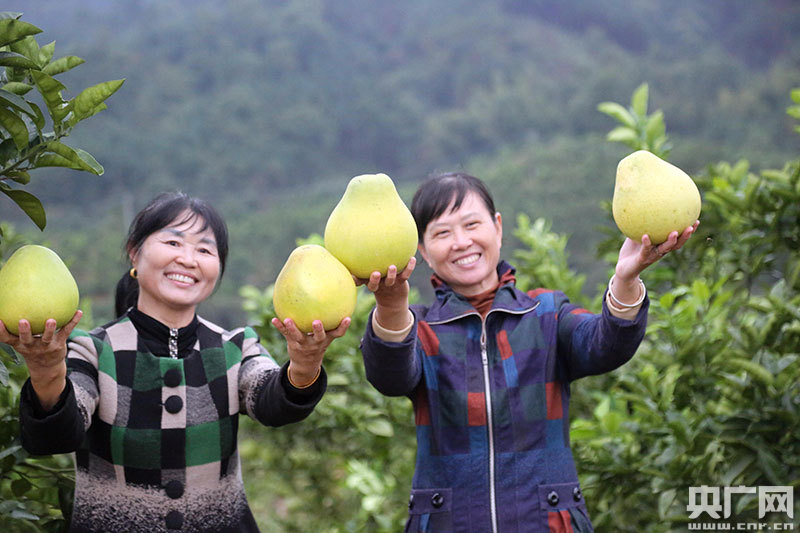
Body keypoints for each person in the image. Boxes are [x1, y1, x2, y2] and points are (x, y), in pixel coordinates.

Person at [359, 172, 698, 533]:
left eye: (471, 224)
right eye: (442, 233)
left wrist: (626, 280)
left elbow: (606, 345)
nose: (461, 242)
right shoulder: (420, 329)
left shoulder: (546, 313)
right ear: (423, 251)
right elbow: (391, 377)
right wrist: (391, 307)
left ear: (497, 227)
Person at [1, 191, 350, 533]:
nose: (188, 259)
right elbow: (55, 437)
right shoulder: (92, 350)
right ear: (134, 252)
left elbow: (273, 402)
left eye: (204, 249)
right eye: (173, 242)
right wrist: (46, 370)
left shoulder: (236, 347)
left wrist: (305, 363)